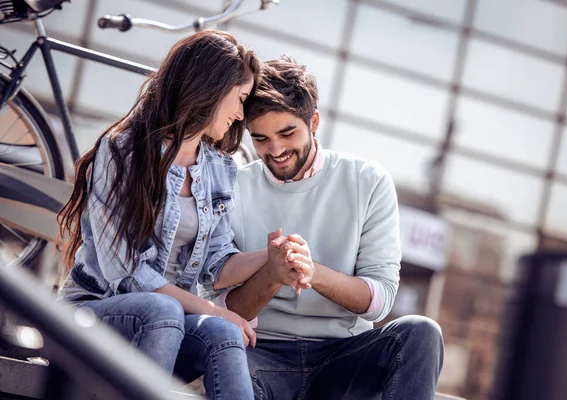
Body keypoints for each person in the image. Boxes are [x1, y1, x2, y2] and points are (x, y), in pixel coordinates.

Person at [201, 56, 444, 400]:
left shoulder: (367, 180)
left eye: (287, 133)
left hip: (342, 356)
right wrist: (271, 274)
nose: (276, 150)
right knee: (222, 351)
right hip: (261, 354)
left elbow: (379, 299)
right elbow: (221, 311)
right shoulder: (233, 186)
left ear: (313, 121)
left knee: (421, 333)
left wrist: (311, 272)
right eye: (261, 139)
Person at [57, 30, 266, 399]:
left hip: (166, 326)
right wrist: (212, 311)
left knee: (225, 333)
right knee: (163, 309)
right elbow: (124, 273)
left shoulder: (220, 167)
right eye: (240, 99)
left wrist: (272, 256)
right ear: (211, 87)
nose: (239, 115)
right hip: (92, 316)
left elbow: (215, 263)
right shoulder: (121, 151)